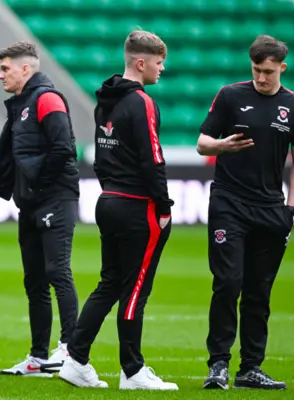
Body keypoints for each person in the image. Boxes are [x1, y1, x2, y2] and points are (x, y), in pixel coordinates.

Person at [58, 30, 178, 390]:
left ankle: (76, 359)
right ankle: (132, 370)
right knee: (136, 288)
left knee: (110, 283)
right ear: (140, 63)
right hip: (138, 205)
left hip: (109, 199)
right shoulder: (141, 101)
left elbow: (100, 153)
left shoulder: (104, 99)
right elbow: (152, 156)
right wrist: (164, 204)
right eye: (159, 63)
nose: (162, 69)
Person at [197, 35, 294, 391]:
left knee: (259, 292)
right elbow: (202, 142)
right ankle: (218, 364)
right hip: (228, 203)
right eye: (256, 70)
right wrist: (221, 146)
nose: (261, 78)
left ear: (282, 68)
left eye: (268, 72)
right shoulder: (230, 95)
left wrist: (290, 208)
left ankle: (250, 369)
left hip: (271, 209)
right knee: (228, 284)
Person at [0, 41, 80, 377]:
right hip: (30, 201)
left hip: (54, 197)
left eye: (5, 68)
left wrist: (39, 186)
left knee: (58, 271)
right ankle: (39, 357)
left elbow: (63, 149)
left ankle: (69, 349)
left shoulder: (47, 99)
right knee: (35, 281)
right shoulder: (23, 103)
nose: (0, 75)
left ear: (25, 69)